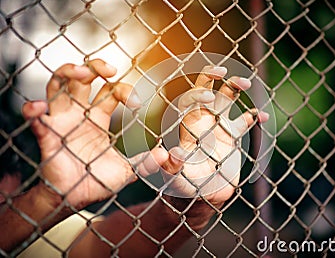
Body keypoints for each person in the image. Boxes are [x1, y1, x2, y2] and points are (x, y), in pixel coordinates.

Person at [0, 59, 269, 257]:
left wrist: (195, 202)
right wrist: (44, 201)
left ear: (10, 182)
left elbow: (118, 242)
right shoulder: (34, 218)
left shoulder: (45, 231)